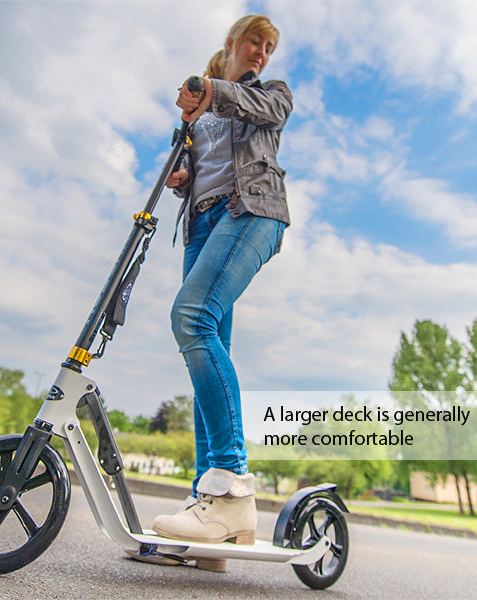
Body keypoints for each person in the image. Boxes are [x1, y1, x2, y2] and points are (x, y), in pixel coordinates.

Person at [150, 14, 293, 569]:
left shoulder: (268, 94)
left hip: (250, 215)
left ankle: (231, 484)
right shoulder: (198, 112)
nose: (262, 51)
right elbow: (190, 161)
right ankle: (210, 517)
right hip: (204, 226)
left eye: (269, 46)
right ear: (231, 43)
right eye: (255, 41)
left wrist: (213, 91)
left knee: (190, 319)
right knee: (207, 353)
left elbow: (264, 111)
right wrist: (181, 173)